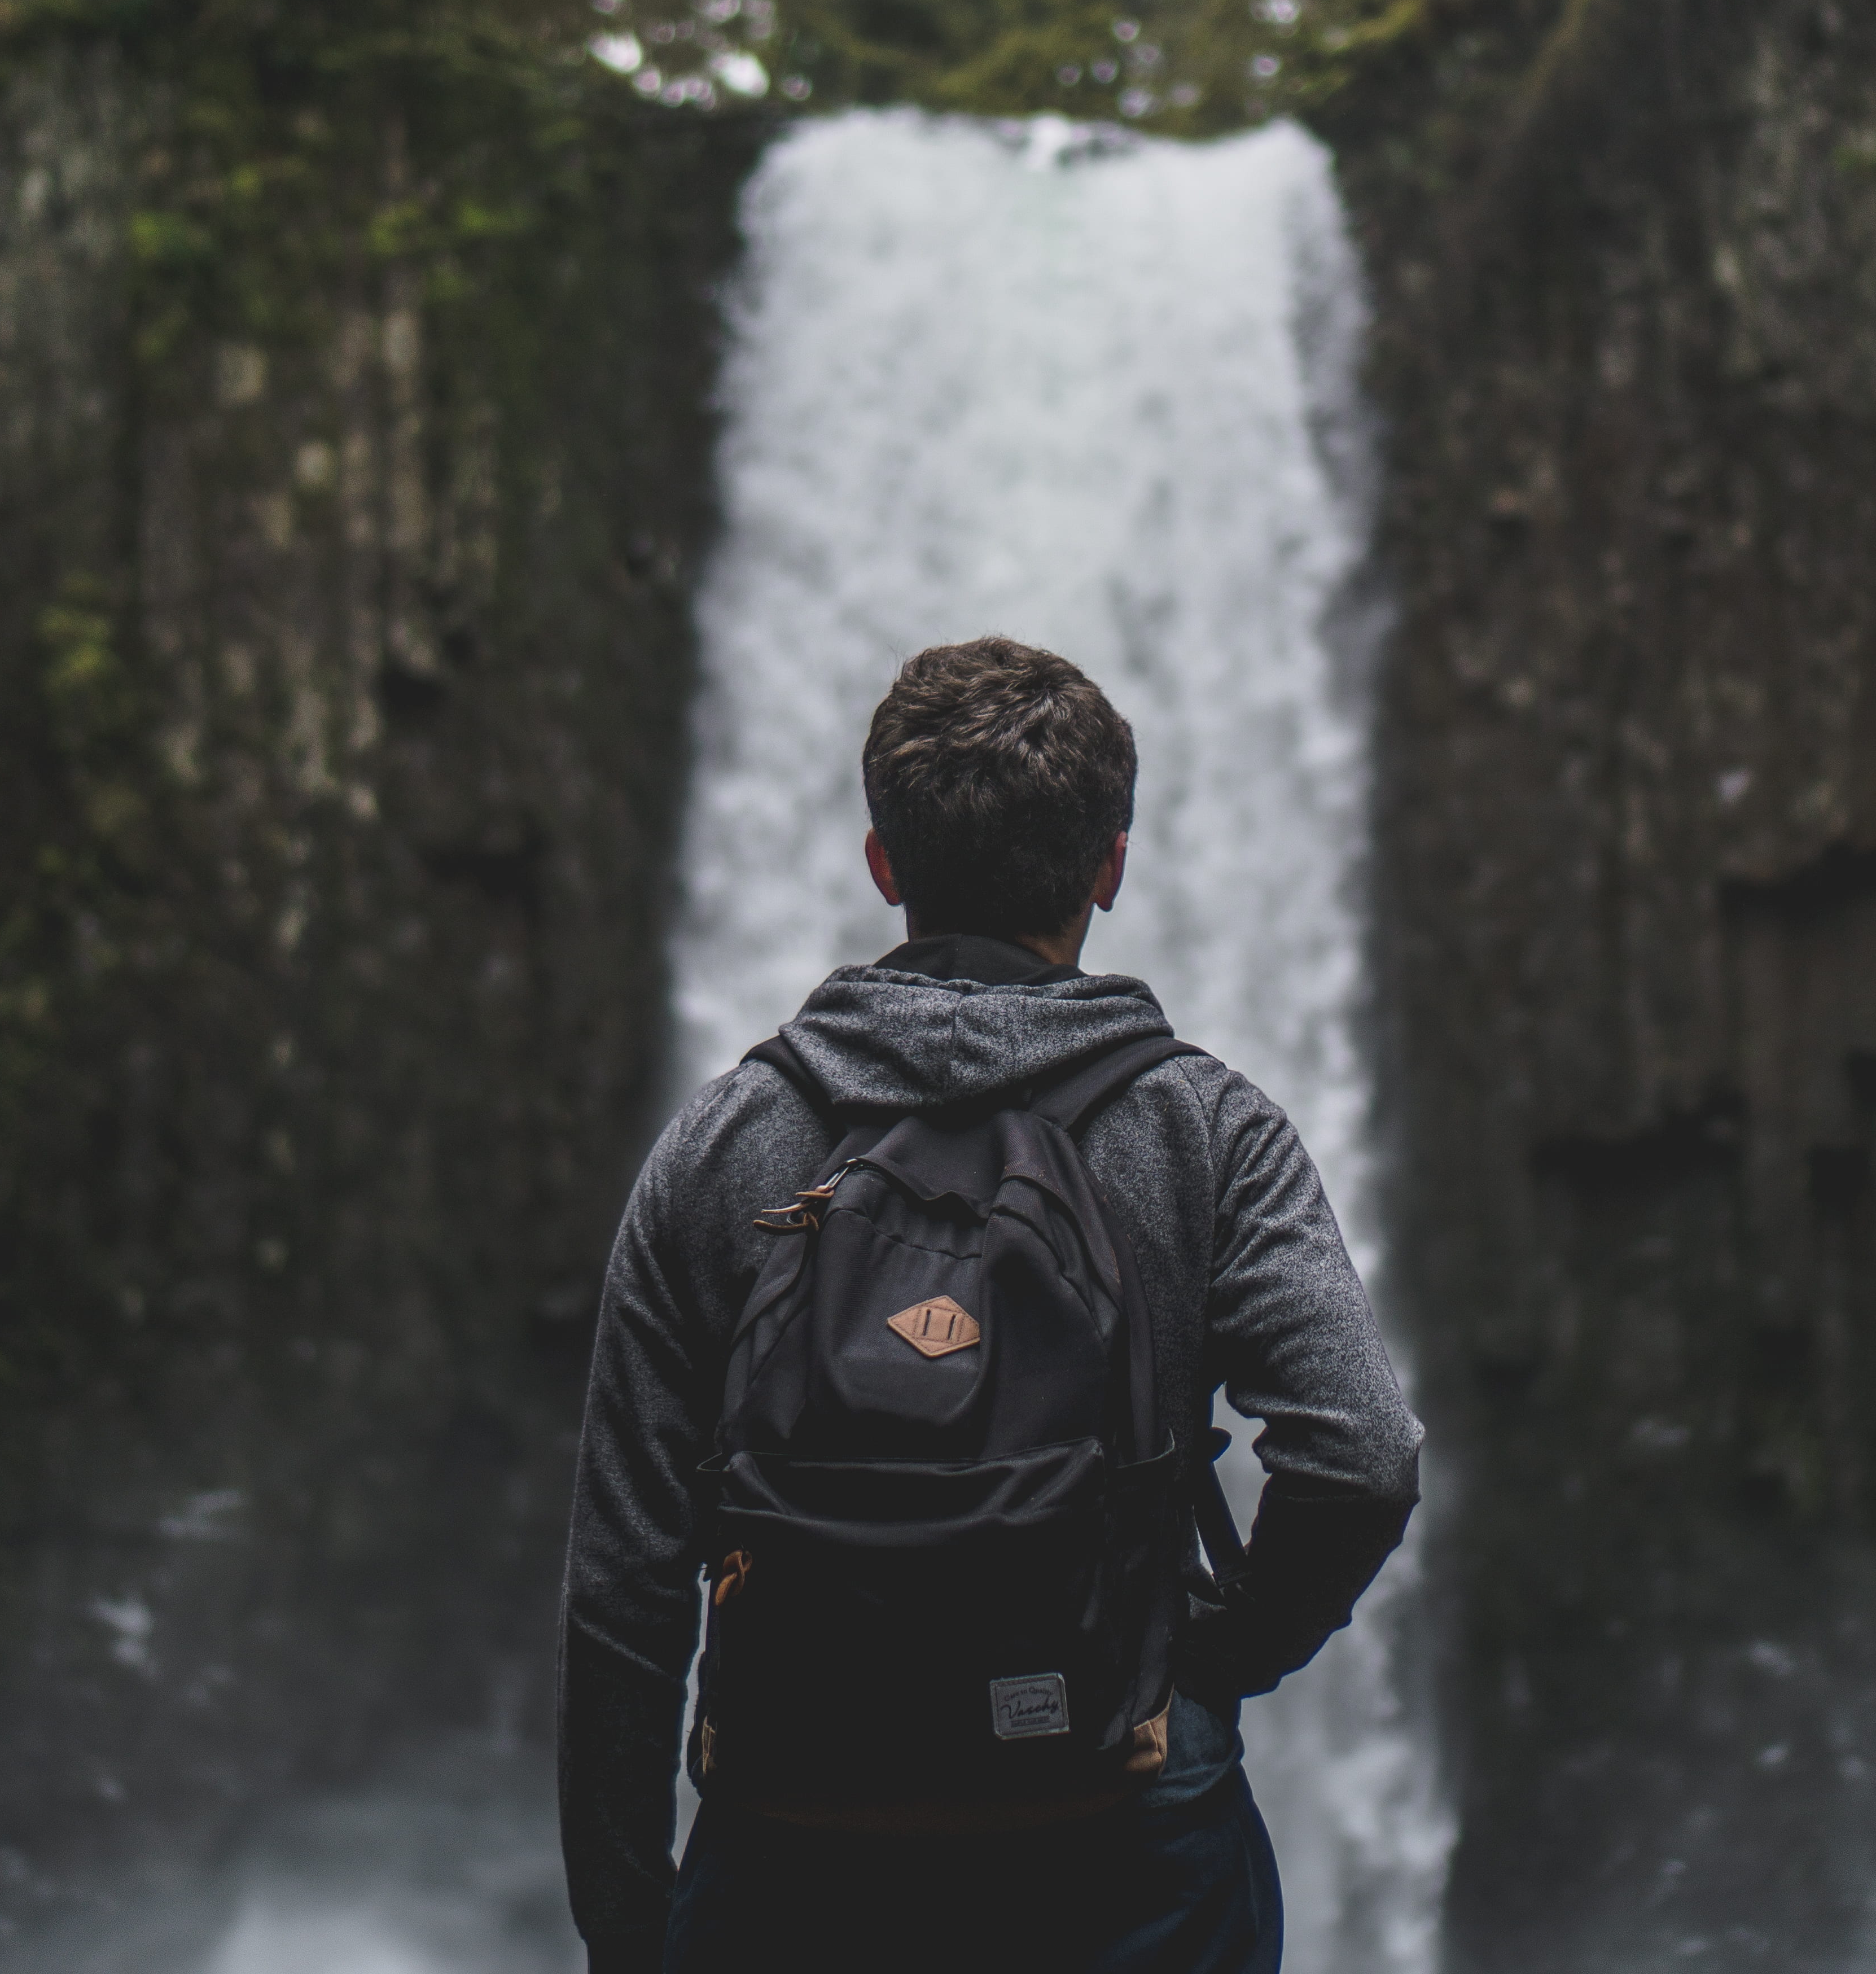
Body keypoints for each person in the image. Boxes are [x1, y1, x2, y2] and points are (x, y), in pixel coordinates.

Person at [558, 635, 1422, 1974]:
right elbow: (1362, 1453)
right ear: (1110, 868)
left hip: (795, 1839)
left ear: (884, 864)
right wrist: (1211, 1658)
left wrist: (631, 1929)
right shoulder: (1207, 1131)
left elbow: (622, 1583)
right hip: (1123, 1812)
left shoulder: (726, 1140)